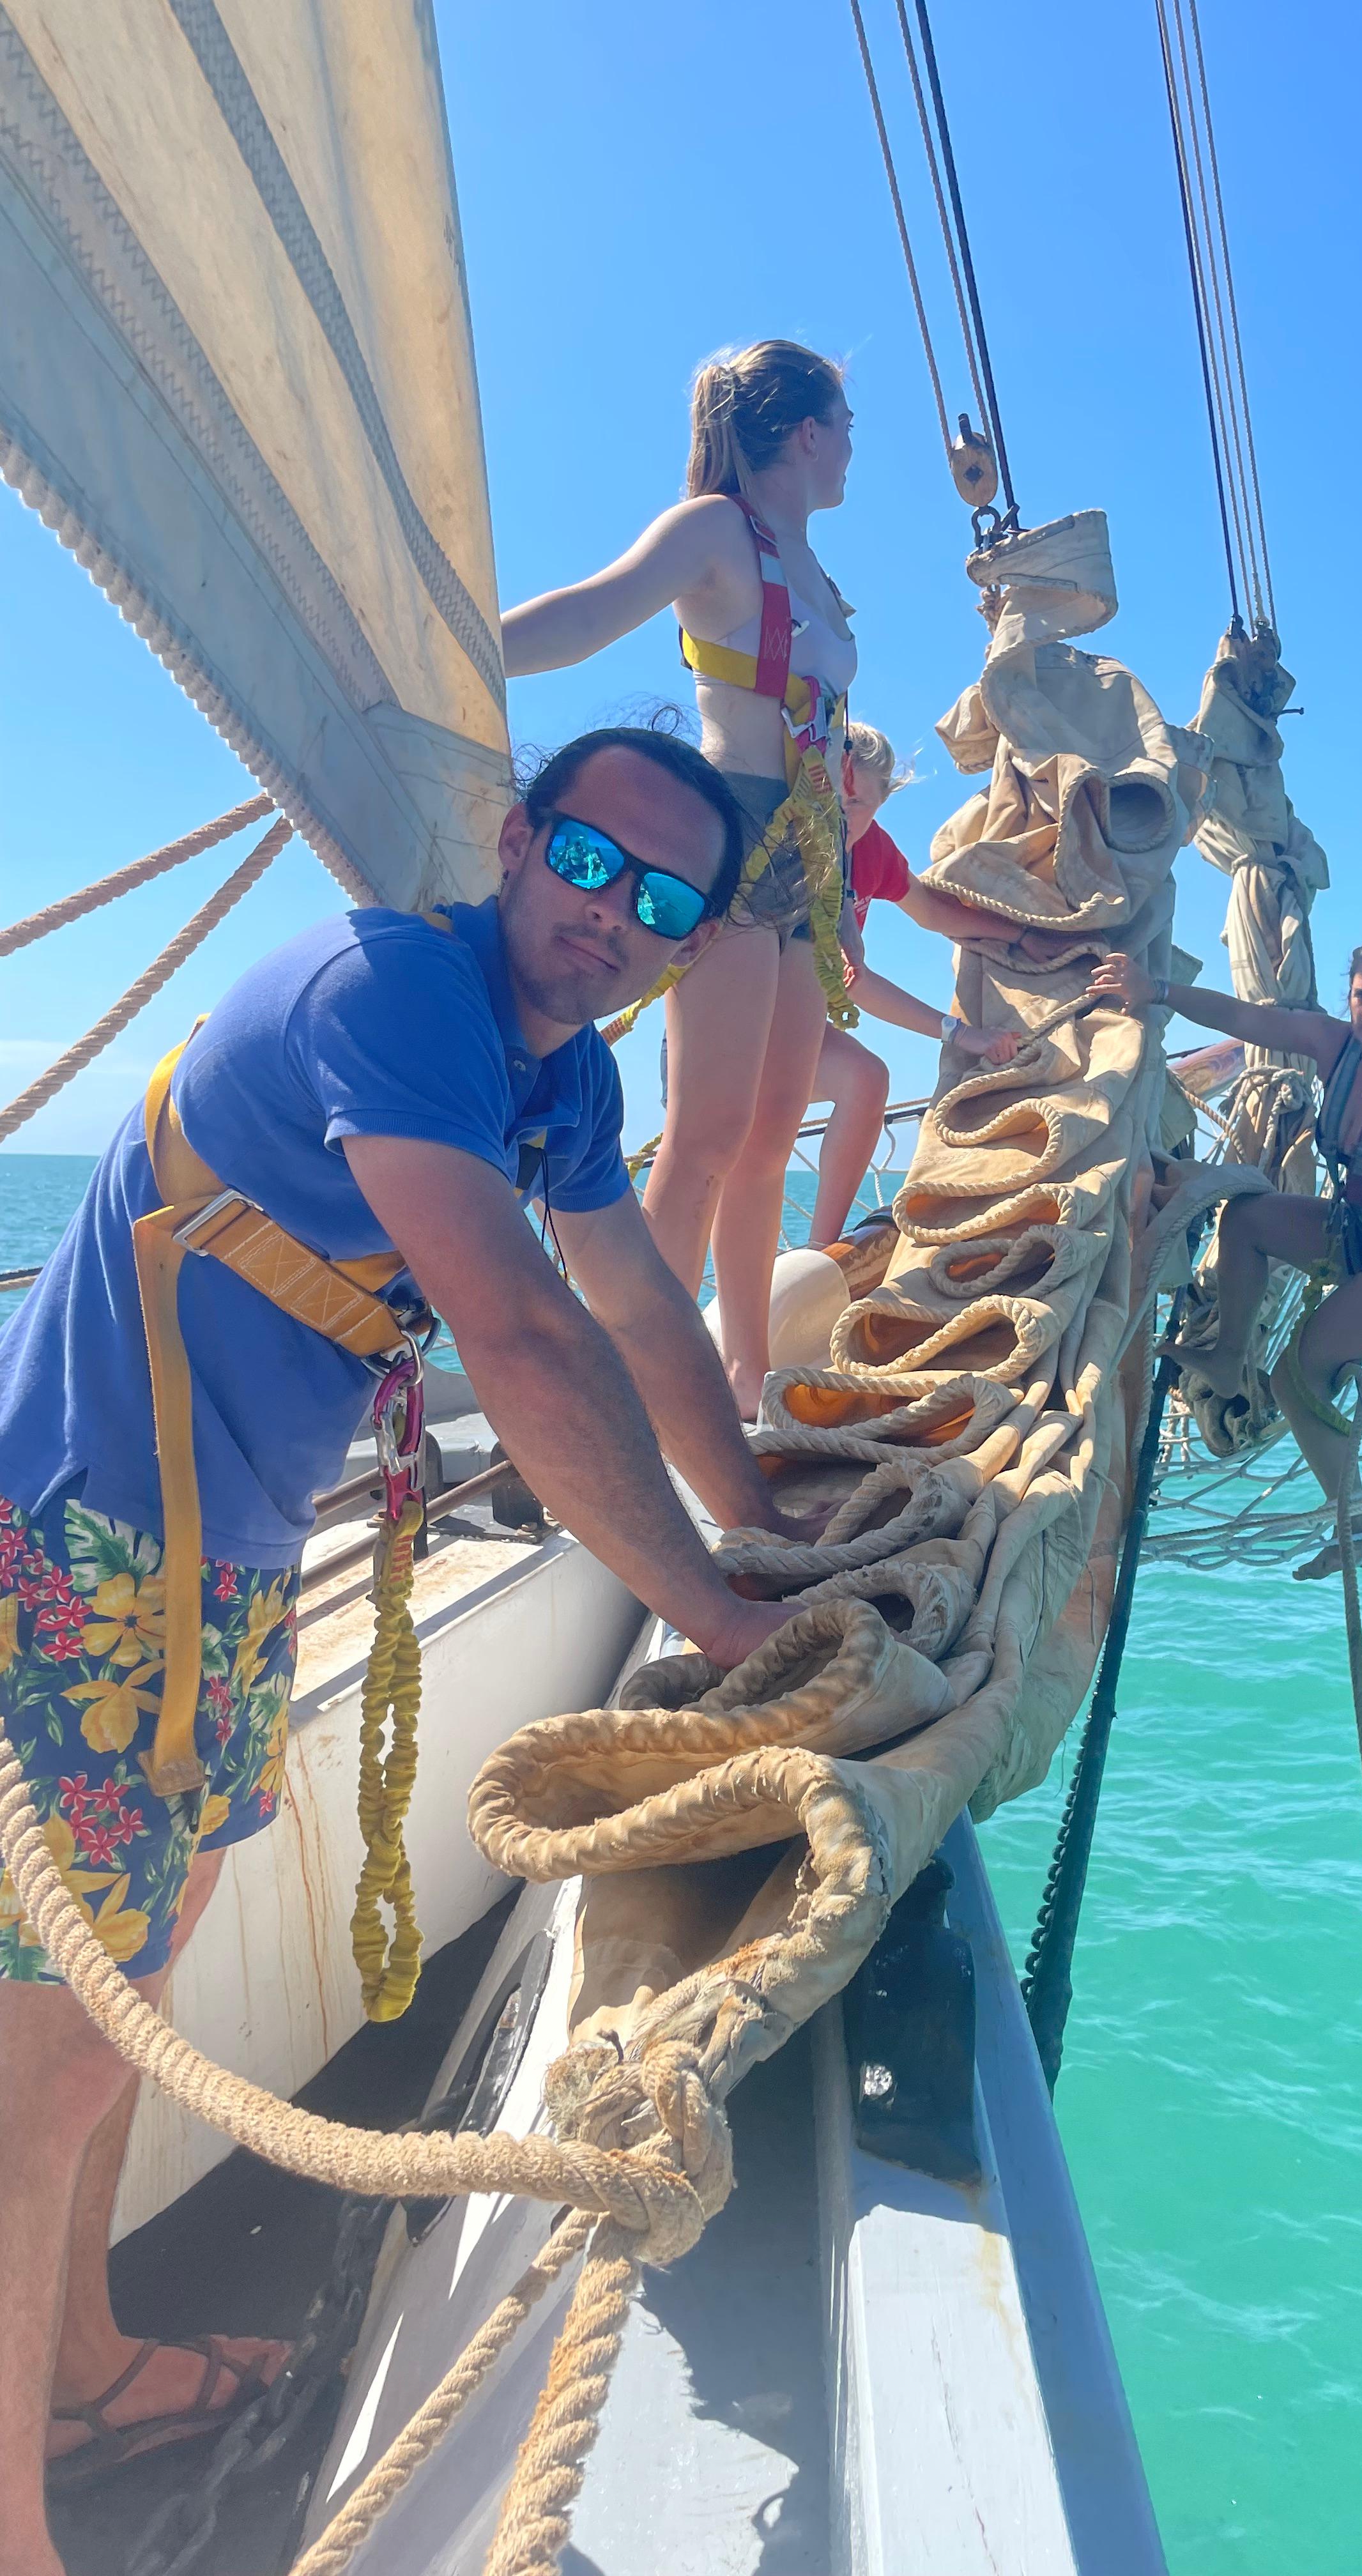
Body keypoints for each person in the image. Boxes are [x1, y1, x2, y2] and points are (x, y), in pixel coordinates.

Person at [0, 725, 802, 2572]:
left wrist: (760, 1522)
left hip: (227, 1564)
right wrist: (715, 1617)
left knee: (145, 1986)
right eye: (593, 863)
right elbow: (520, 1337)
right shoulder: (398, 990)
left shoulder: (566, 1088)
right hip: (85, 1548)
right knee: (51, 2061)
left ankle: (85, 2369)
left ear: (686, 946)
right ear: (520, 843)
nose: (615, 917)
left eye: (665, 903)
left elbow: (638, 1313)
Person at [501, 339, 869, 1420]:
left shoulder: (817, 571)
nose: (851, 451)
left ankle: (746, 1380)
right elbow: (586, 614)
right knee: (705, 1135)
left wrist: (838, 892)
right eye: (843, 427)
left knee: (765, 1140)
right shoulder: (717, 532)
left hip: (807, 857)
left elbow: (830, 738)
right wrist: (453, 649)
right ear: (805, 431)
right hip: (729, 839)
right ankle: (629, 1383)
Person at [1089, 934, 1362, 1577]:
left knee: (1296, 1378)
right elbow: (1250, 1020)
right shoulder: (1339, 1047)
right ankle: (1224, 1360)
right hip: (1356, 1229)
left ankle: (1355, 1530)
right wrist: (1155, 991)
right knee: (1247, 1218)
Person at [806, 721, 1018, 1246]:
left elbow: (931, 914)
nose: (840, 812)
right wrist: (957, 1032)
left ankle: (819, 1253)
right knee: (737, 1153)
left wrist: (1024, 935)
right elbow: (854, 980)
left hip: (792, 1032)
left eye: (857, 804)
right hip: (723, 1033)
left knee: (865, 1081)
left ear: (880, 804)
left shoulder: (870, 852)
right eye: (832, 793)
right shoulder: (786, 843)